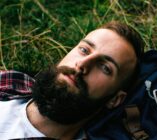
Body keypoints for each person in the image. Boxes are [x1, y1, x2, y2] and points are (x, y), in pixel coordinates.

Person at [0, 21, 144, 139]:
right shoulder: (13, 80)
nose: (81, 64)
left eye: (105, 67)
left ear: (115, 99)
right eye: (84, 50)